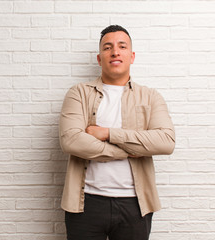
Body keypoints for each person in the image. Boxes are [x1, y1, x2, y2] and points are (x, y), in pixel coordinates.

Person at [59, 25, 175, 240]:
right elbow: (72, 141)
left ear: (131, 56)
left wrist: (108, 134)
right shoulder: (79, 93)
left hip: (135, 204)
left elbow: (166, 142)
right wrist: (130, 151)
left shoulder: (151, 97)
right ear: (99, 58)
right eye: (107, 47)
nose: (115, 52)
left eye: (122, 46)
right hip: (85, 203)